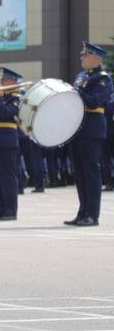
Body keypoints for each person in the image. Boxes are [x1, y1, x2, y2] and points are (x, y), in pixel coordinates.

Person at [66, 42, 111, 226]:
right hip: (77, 128)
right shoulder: (80, 77)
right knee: (80, 173)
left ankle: (92, 215)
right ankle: (82, 212)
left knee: (91, 173)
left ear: (96, 58)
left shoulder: (103, 79)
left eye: (86, 54)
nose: (82, 57)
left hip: (92, 128)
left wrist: (76, 93)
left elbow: (94, 102)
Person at [0, 67, 23, 221]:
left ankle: (10, 210)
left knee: (7, 177)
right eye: (1, 79)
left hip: (7, 140)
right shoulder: (0, 98)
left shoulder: (16, 98)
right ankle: (1, 208)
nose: (1, 81)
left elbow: (6, 113)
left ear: (12, 81)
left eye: (4, 79)